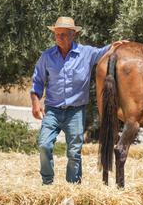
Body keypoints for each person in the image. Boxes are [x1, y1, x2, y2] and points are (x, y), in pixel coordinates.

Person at [30, 17, 125, 185]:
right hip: (52, 110)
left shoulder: (87, 53)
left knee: (74, 153)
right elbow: (37, 81)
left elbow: (105, 51)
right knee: (44, 145)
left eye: (63, 34)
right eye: (57, 34)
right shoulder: (47, 56)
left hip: (75, 112)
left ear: (73, 34)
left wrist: (117, 45)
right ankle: (47, 183)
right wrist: (35, 103)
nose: (59, 38)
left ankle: (73, 186)